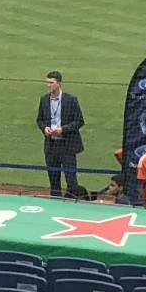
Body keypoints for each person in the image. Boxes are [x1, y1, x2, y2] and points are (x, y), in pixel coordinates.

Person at [36, 70, 85, 199]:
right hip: (51, 145)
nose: (48, 85)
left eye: (51, 83)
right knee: (53, 179)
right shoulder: (44, 100)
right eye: (47, 83)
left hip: (67, 145)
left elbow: (79, 121)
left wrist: (63, 129)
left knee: (71, 178)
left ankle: (73, 202)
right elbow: (39, 120)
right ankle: (55, 203)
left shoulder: (71, 100)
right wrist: (44, 128)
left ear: (59, 83)